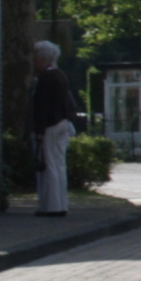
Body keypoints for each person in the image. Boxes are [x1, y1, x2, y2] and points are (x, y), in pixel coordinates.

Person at [31, 40, 78, 216]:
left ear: (41, 58)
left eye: (36, 57)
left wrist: (38, 131)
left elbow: (42, 106)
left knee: (48, 165)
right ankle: (60, 204)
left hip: (50, 125)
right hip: (63, 122)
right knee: (58, 164)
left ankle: (50, 206)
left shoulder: (45, 78)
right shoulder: (60, 75)